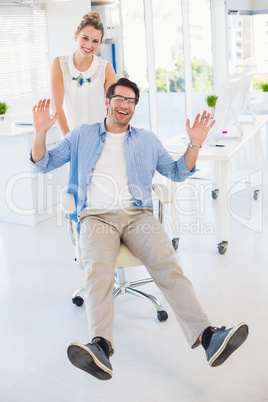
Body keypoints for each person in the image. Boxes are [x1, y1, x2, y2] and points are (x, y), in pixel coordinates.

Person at [30, 78, 249, 381]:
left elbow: (177, 172)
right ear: (107, 102)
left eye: (131, 101)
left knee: (168, 264)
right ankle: (100, 346)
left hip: (138, 215)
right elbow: (42, 164)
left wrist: (195, 144)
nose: (125, 105)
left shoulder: (147, 140)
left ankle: (209, 337)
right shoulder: (81, 135)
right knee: (98, 270)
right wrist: (40, 132)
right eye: (119, 98)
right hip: (96, 216)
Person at [50, 11, 116, 138]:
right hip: (71, 138)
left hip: (100, 139)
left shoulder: (105, 68)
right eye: (85, 38)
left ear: (100, 43)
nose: (89, 45)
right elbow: (56, 106)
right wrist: (68, 139)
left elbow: (113, 108)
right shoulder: (59, 64)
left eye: (95, 41)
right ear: (76, 36)